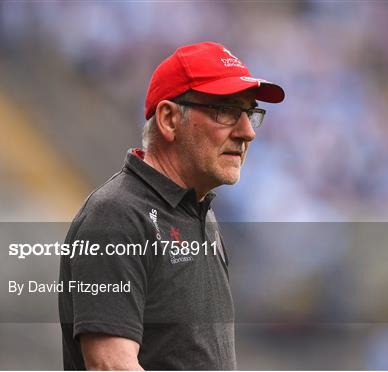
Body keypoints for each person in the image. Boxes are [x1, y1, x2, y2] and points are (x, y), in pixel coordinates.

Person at [58, 41, 284, 370]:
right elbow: (110, 365)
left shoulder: (199, 212)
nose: (247, 132)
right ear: (168, 119)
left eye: (249, 113)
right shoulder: (116, 215)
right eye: (226, 111)